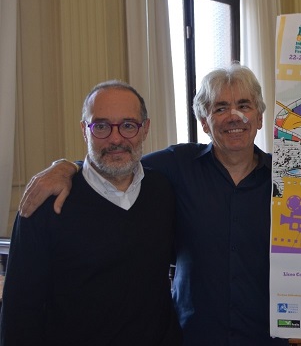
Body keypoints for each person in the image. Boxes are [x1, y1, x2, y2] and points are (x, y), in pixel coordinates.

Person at [17, 64, 288, 346]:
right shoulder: (177, 166)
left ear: (259, 117)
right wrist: (66, 167)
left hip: (267, 336)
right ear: (204, 122)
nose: (234, 116)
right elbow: (117, 161)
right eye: (220, 108)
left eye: (244, 105)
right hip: (192, 337)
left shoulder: (290, 180)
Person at [0, 81, 181, 345]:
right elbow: (19, 312)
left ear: (145, 129)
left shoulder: (163, 190)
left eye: (128, 125)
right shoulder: (46, 203)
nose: (116, 139)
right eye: (101, 126)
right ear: (85, 130)